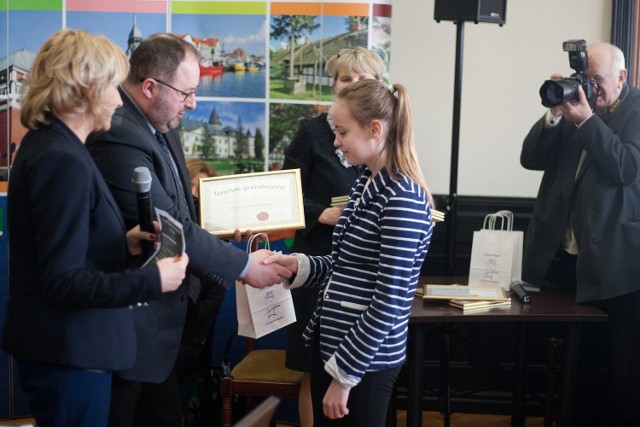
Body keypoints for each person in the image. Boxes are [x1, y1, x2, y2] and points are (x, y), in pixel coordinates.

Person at [86, 33, 289, 427]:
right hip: (129, 327)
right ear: (150, 87)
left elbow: (184, 213)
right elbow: (167, 226)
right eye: (187, 93)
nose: (193, 102)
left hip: (162, 327)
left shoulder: (161, 122)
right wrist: (244, 266)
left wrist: (222, 239)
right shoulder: (120, 133)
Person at [0, 29, 189, 427]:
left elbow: (63, 247)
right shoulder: (60, 158)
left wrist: (123, 243)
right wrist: (153, 280)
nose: (119, 99)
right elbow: (63, 281)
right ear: (83, 88)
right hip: (69, 354)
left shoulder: (54, 146)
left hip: (71, 350)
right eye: (111, 86)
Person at [265, 79, 434, 426]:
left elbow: (388, 300)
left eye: (342, 132)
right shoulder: (366, 181)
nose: (335, 142)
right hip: (333, 344)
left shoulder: (403, 198)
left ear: (375, 129)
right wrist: (297, 265)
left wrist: (344, 377)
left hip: (362, 362)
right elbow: (345, 266)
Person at [521, 41, 640, 425]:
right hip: (563, 260)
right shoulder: (574, 109)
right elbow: (530, 159)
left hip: (617, 266)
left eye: (598, 80)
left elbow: (626, 168)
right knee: (573, 366)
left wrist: (586, 120)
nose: (589, 88)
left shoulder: (636, 111)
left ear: (622, 77)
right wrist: (556, 114)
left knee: (622, 372)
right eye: (583, 79)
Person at [282, 47, 384, 427]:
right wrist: (321, 213)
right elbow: (285, 189)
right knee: (314, 367)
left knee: (360, 371)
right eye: (345, 79)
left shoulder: (387, 147)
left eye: (363, 79)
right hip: (316, 260)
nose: (353, 85)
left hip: (363, 270)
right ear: (333, 85)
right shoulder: (311, 131)